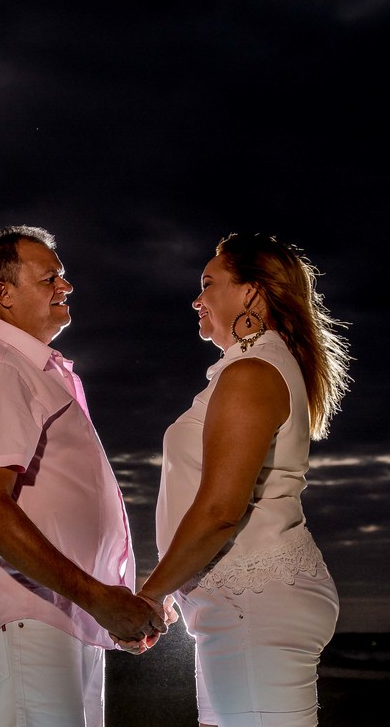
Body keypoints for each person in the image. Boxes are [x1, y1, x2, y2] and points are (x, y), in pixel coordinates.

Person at [0, 225, 167, 727]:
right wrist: (99, 599)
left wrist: (106, 604)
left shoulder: (37, 372)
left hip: (65, 620)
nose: (65, 288)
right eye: (50, 278)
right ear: (5, 294)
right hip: (30, 616)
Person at [138, 232, 352, 727]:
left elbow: (219, 511)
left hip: (254, 604)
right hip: (238, 604)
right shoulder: (250, 367)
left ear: (251, 293)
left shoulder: (253, 372)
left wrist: (151, 593)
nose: (197, 299)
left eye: (208, 283)